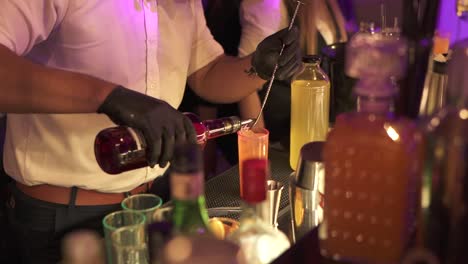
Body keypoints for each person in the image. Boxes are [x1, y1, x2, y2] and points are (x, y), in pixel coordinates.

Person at [0, 1, 301, 263]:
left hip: (156, 203)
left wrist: (258, 67)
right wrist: (110, 97)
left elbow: (207, 73)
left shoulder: (180, 5)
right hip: (63, 216)